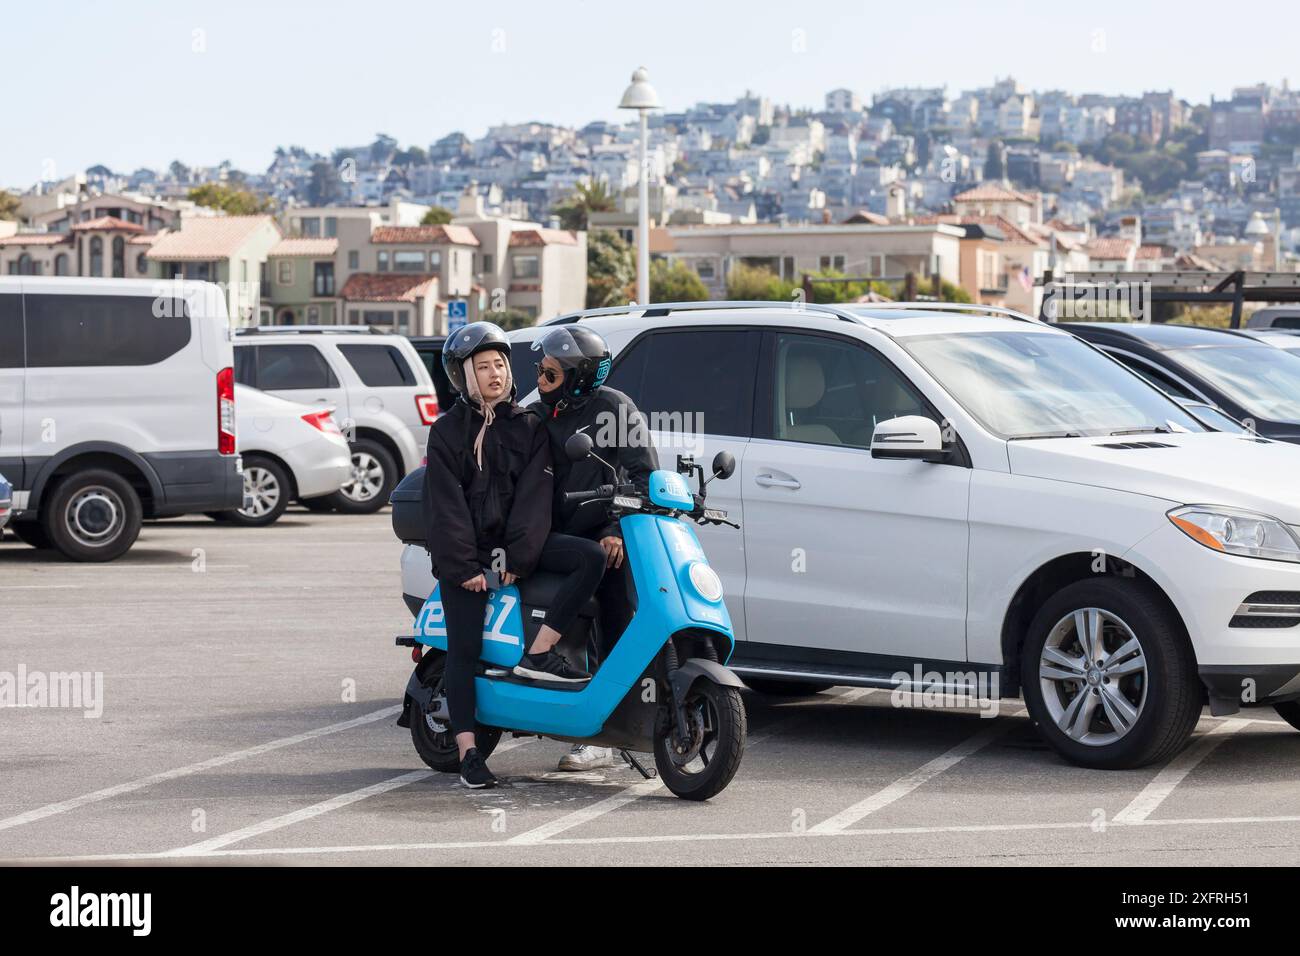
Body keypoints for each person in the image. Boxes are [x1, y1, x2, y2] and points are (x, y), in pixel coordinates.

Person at [424, 322, 606, 789]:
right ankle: (468, 752)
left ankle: (539, 652)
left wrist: (517, 562)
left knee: (589, 558)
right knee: (462, 650)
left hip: (517, 551)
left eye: (500, 364)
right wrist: (466, 568)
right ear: (463, 376)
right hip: (466, 559)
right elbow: (446, 507)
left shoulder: (529, 426)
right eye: (483, 367)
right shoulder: (446, 432)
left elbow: (534, 499)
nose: (495, 374)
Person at [529, 326, 659, 772]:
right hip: (553, 537)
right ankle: (572, 717)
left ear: (578, 377)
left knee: (618, 622)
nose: (540, 380)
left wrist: (617, 528)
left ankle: (611, 729)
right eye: (540, 371)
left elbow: (644, 476)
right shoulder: (537, 413)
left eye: (550, 372)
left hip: (605, 536)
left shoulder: (614, 409)